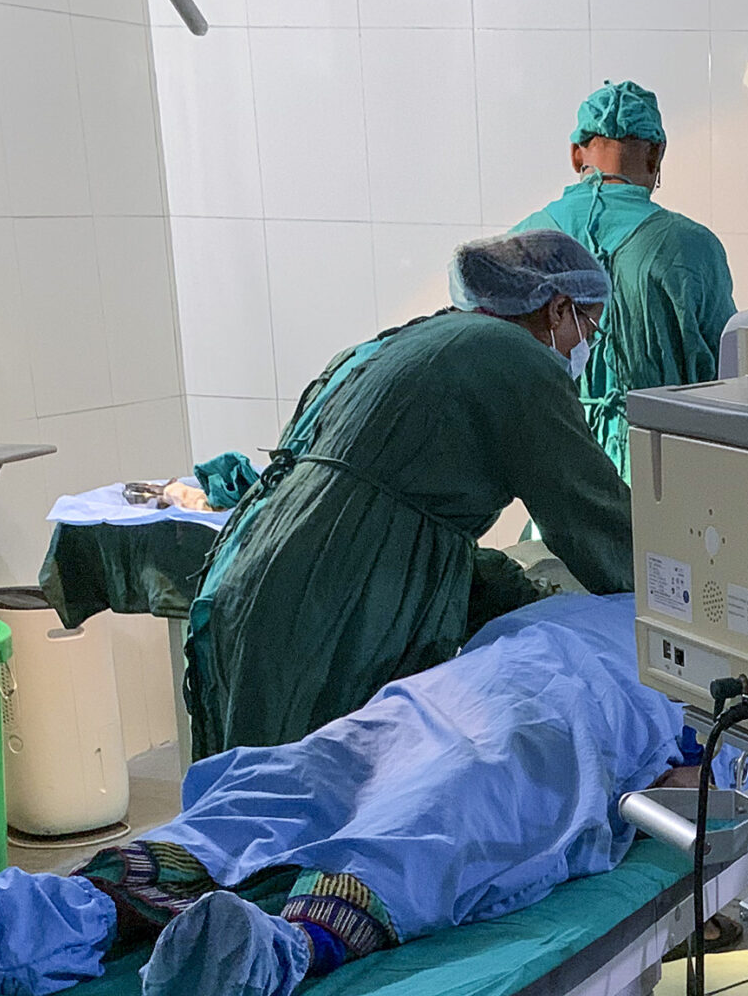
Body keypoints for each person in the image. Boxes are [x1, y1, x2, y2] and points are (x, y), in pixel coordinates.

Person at [0, 596, 692, 996]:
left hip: (576, 716)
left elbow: (746, 740)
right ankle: (40, 920)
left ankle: (269, 952)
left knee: (437, 814)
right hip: (441, 694)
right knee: (289, 778)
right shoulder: (601, 592)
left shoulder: (721, 637)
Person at [183, 232, 635, 759]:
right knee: (324, 792)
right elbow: (594, 515)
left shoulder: (412, 340)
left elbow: (409, 516)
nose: (585, 347)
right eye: (589, 327)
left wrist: (515, 594)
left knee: (256, 801)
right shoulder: (514, 358)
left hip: (255, 581)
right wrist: (670, 596)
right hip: (333, 609)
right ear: (559, 309)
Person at [514, 80, 738, 481]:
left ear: (574, 154)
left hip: (556, 474)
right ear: (656, 154)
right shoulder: (691, 247)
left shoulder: (526, 240)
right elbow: (728, 375)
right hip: (665, 478)